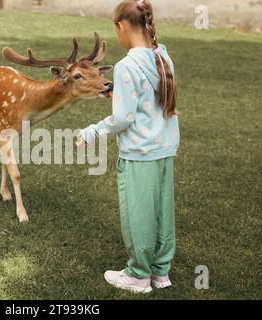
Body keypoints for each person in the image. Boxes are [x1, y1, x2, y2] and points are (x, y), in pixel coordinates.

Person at [77, 0, 180, 293]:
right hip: (164, 150)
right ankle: (161, 272)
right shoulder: (163, 57)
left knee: (139, 215)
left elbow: (124, 117)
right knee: (161, 211)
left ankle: (137, 275)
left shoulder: (125, 66)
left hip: (139, 154)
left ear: (121, 27)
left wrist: (93, 130)